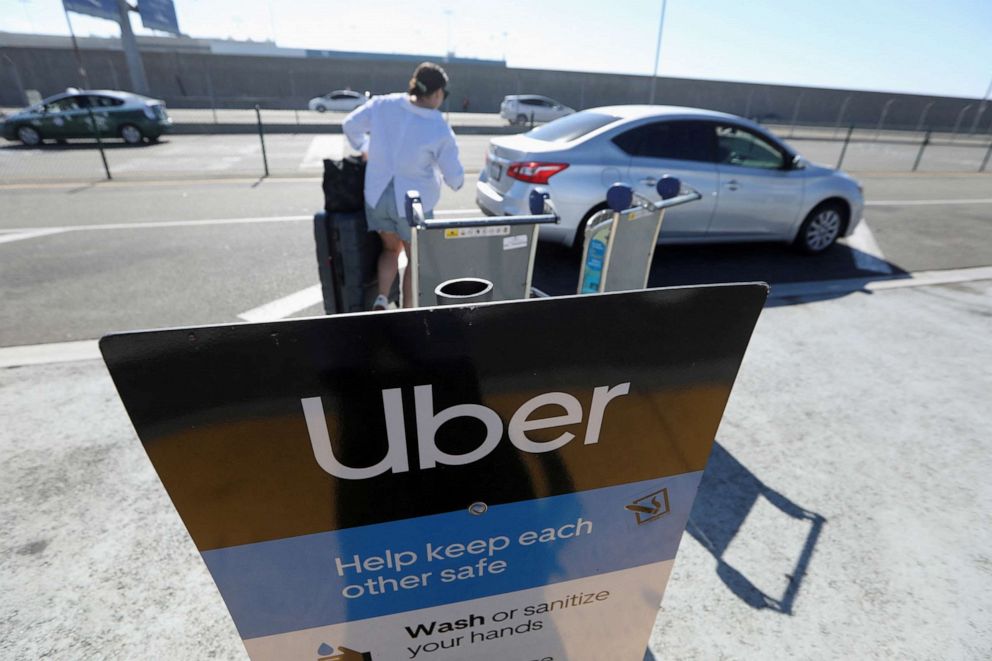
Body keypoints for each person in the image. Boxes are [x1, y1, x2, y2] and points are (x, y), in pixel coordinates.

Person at [342, 62, 464, 310]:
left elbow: (350, 125)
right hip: (413, 206)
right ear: (438, 93)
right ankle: (408, 310)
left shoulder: (384, 104)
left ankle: (382, 298)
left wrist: (364, 149)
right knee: (414, 259)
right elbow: (455, 179)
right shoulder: (438, 126)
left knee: (389, 250)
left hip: (377, 196)